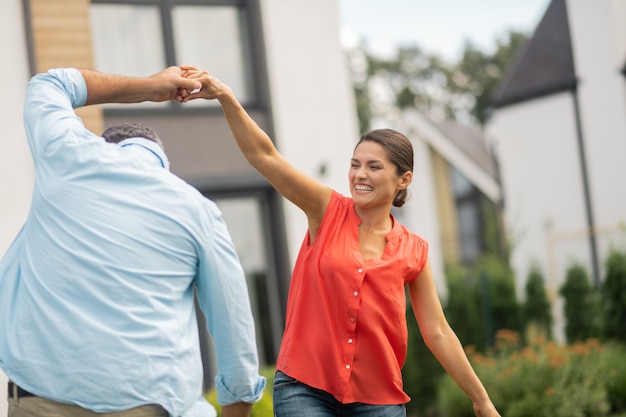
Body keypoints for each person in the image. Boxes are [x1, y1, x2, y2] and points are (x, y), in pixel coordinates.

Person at [177, 66, 502, 417]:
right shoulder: (326, 210)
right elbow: (264, 157)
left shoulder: (414, 251)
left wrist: (481, 400)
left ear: (403, 179)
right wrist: (226, 97)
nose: (360, 175)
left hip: (379, 399)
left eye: (374, 167)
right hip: (305, 387)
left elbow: (437, 331)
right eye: (355, 164)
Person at [0, 67, 265, 417]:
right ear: (162, 165)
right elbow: (234, 325)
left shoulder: (66, 154)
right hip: (145, 403)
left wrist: (150, 87)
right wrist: (239, 400)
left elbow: (50, 83)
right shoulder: (196, 209)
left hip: (40, 400)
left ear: (104, 146)